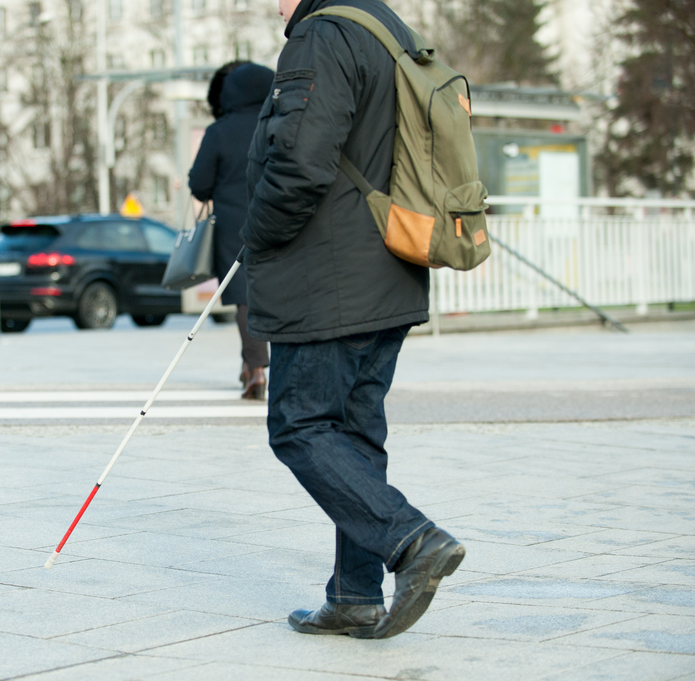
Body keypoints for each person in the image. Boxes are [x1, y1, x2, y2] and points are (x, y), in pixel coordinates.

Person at [239, 0, 465, 639]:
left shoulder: (320, 35)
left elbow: (303, 160)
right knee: (356, 438)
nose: (271, 4)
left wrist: (255, 237)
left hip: (329, 274)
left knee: (300, 425)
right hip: (388, 263)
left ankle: (411, 541)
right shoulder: (389, 30)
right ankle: (356, 595)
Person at [190, 61, 275, 399]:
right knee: (280, 292)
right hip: (278, 217)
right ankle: (256, 366)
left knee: (245, 299)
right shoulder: (279, 123)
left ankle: (255, 369)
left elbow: (199, 183)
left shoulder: (219, 131)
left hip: (234, 227)